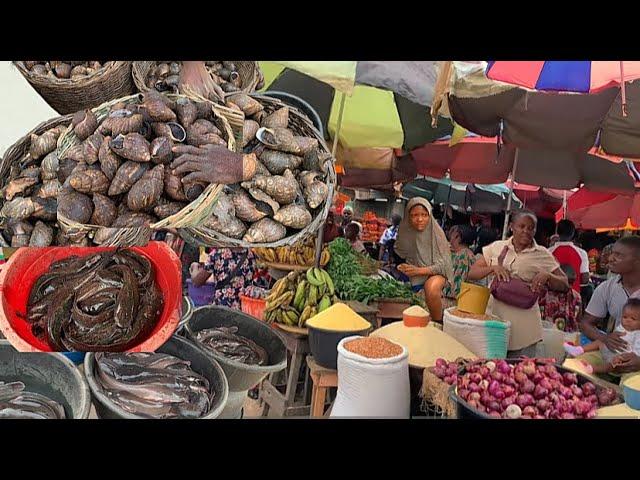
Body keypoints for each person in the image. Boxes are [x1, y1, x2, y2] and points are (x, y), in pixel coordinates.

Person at [468, 211, 570, 358]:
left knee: (518, 373)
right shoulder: (497, 247)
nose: (526, 231)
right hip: (494, 324)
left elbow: (565, 284)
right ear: (511, 227)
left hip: (525, 331)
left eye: (531, 228)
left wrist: (548, 275)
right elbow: (472, 273)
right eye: (521, 226)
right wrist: (493, 268)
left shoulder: (542, 254)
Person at [577, 236, 640, 378]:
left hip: (636, 357)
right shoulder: (607, 287)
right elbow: (585, 322)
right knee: (575, 366)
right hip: (611, 352)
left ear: (637, 261)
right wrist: (605, 338)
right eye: (613, 253)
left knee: (632, 387)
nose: (611, 258)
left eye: (619, 255)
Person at [394, 198, 454, 323]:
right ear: (408, 217)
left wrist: (419, 271)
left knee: (431, 289)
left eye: (424, 215)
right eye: (414, 215)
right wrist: (404, 267)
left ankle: (438, 323)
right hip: (414, 275)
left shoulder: (437, 233)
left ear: (429, 215)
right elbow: (401, 253)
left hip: (438, 273)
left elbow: (445, 265)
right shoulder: (405, 232)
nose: (420, 219)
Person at [565, 298, 640, 375]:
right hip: (611, 351)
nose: (628, 320)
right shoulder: (622, 327)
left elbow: (636, 353)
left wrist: (623, 358)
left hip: (622, 358)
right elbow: (611, 339)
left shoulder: (637, 335)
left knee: (610, 366)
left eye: (633, 319)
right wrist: (608, 340)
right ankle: (579, 350)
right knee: (601, 341)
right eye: (625, 317)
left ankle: (593, 369)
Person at [190, 248, 257, 310]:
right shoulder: (251, 254)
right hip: (245, 309)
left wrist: (194, 267)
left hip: (223, 308)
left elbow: (197, 281)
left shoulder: (217, 254)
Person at [549, 220, 590, 293]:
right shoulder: (582, 253)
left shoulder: (548, 252)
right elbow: (585, 279)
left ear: (557, 232)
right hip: (574, 297)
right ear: (573, 233)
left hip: (552, 297)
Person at [539, 264, 582, 332]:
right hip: (546, 334)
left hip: (569, 337)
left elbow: (579, 321)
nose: (568, 286)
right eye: (566, 282)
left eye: (571, 283)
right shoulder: (542, 294)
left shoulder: (576, 297)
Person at [442, 224, 477, 300]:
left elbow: (456, 285)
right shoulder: (460, 253)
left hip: (453, 300)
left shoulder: (463, 256)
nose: (449, 235)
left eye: (452, 233)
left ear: (457, 236)